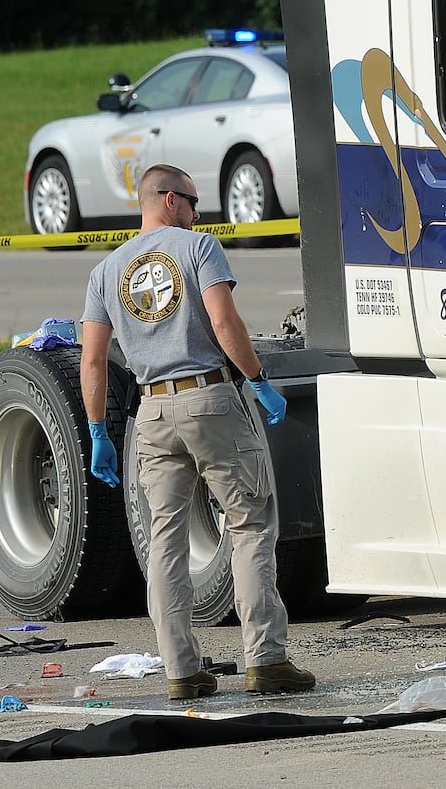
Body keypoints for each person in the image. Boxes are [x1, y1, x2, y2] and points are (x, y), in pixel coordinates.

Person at [79, 163, 316, 702]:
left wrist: (99, 431)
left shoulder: (105, 272)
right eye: (191, 200)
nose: (196, 211)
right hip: (208, 398)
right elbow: (226, 322)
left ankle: (180, 670)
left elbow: (92, 361)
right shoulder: (196, 247)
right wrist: (258, 380)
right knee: (250, 523)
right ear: (167, 200)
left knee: (165, 540)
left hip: (153, 412)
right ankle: (266, 660)